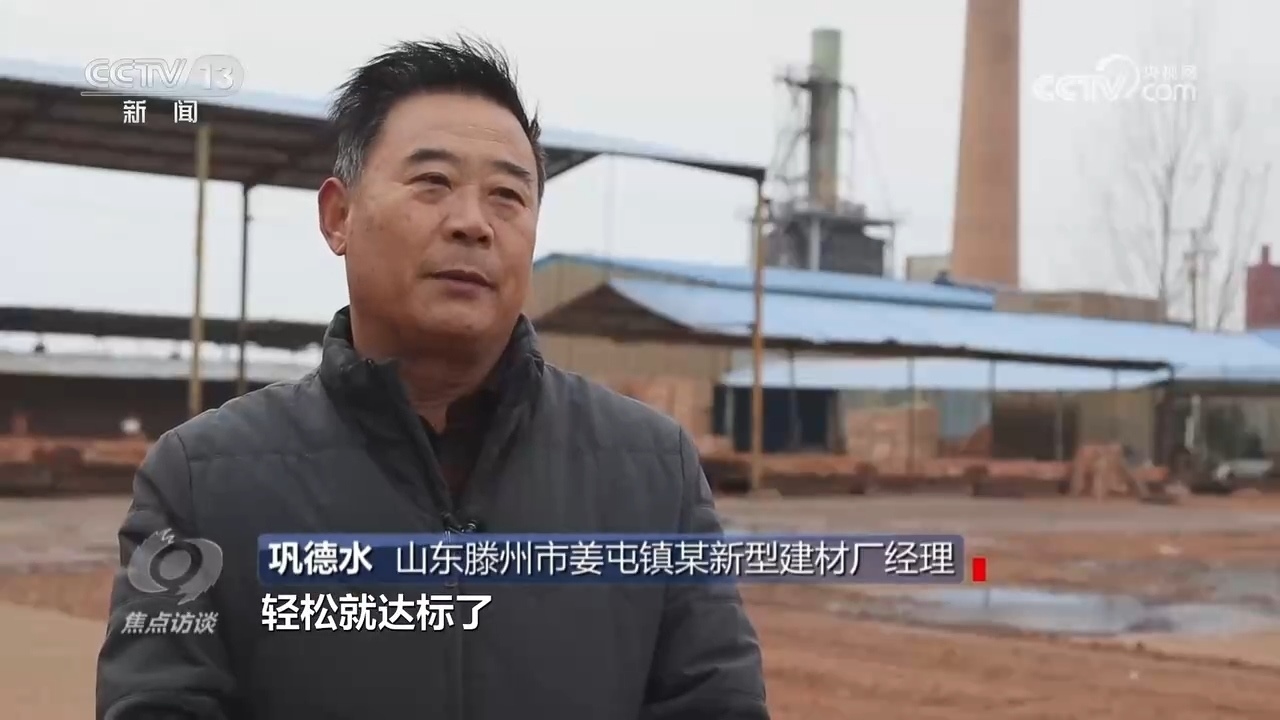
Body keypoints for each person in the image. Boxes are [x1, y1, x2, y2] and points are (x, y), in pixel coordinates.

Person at [96, 38, 768, 720]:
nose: (473, 224)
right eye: (432, 183)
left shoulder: (654, 473)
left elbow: (716, 703)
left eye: (507, 195)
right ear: (338, 216)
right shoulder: (200, 482)